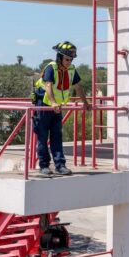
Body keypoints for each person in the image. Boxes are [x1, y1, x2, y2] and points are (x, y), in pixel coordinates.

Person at [32, 41, 90, 176]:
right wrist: (53, 103)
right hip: (43, 106)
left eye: (71, 59)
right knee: (42, 137)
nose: (69, 62)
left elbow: (78, 87)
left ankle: (60, 165)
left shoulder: (71, 69)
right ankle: (44, 166)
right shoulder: (51, 68)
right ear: (60, 57)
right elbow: (48, 85)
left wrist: (86, 103)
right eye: (67, 59)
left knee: (57, 136)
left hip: (57, 107)